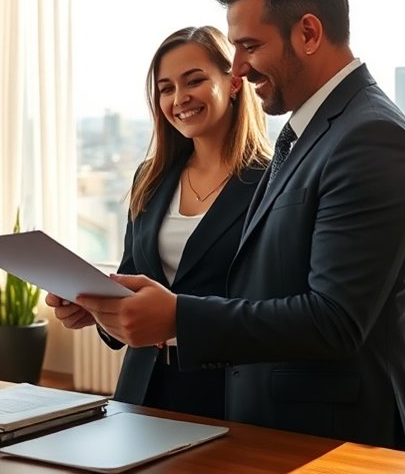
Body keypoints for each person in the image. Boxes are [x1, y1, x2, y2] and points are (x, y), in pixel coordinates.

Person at [58, 0, 405, 453]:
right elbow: (259, 289)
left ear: (308, 33)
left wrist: (178, 318)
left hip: (335, 442)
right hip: (262, 424)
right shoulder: (307, 133)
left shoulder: (370, 138)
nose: (238, 67)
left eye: (249, 46)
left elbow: (335, 320)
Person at [46, 25, 271, 419]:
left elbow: (267, 306)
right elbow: (133, 279)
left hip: (226, 395)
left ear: (234, 81)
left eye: (194, 81)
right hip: (141, 391)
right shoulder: (150, 178)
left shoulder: (272, 183)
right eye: (166, 88)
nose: (179, 98)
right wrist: (95, 308)